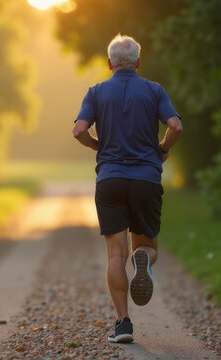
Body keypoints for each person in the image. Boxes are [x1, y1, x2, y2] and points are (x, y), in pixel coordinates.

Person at [72, 34, 183, 343]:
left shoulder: (96, 92)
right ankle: (142, 259)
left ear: (109, 64)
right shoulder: (154, 90)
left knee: (115, 256)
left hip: (110, 179)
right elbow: (175, 126)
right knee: (146, 247)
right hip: (146, 178)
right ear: (138, 62)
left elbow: (78, 130)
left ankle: (123, 325)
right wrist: (162, 148)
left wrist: (98, 145)